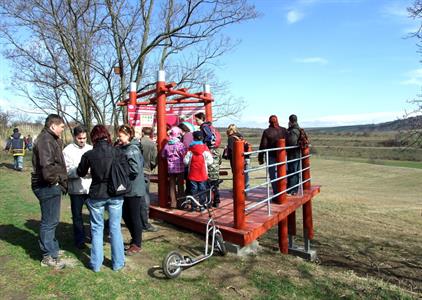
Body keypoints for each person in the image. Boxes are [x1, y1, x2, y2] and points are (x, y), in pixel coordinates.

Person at [77, 125, 125, 272]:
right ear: (107, 136)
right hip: (115, 194)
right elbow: (126, 171)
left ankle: (96, 264)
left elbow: (80, 171)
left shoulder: (89, 154)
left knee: (97, 229)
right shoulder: (117, 152)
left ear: (93, 137)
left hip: (97, 194)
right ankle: (117, 263)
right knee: (115, 228)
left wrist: (92, 171)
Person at [31, 114, 67, 269]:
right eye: (61, 127)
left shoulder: (50, 139)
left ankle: (53, 250)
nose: (62, 130)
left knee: (52, 221)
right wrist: (57, 181)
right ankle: (47, 256)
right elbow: (47, 168)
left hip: (50, 185)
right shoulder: (46, 140)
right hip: (47, 186)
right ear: (53, 126)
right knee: (48, 222)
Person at [117, 125, 147, 255]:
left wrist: (121, 172)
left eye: (121, 136)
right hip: (128, 188)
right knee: (126, 214)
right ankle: (134, 239)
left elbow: (135, 169)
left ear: (128, 135)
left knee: (134, 216)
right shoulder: (125, 148)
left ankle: (137, 243)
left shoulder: (132, 150)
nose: (119, 138)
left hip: (133, 188)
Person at [63, 126, 93, 249]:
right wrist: (80, 172)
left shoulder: (91, 148)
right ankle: (79, 240)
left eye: (84, 138)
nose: (82, 140)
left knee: (94, 214)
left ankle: (94, 237)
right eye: (80, 138)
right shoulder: (67, 151)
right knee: (77, 216)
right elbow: (66, 171)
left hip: (90, 188)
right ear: (74, 137)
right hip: (76, 189)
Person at [194, 112, 222, 207]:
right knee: (215, 180)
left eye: (197, 120)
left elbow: (209, 136)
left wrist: (203, 143)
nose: (196, 122)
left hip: (210, 152)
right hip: (215, 153)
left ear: (201, 118)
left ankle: (210, 201)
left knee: (209, 180)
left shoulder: (204, 127)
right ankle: (216, 200)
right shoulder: (210, 126)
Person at [258, 115, 287, 195]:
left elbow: (263, 145)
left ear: (269, 122)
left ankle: (276, 192)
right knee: (283, 173)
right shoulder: (284, 130)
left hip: (271, 156)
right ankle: (283, 191)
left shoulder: (267, 131)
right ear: (277, 121)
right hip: (282, 155)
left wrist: (260, 157)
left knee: (273, 174)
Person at [184, 131, 213, 211]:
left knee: (193, 190)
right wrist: (205, 163)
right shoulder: (205, 149)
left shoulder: (190, 150)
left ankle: (193, 206)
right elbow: (210, 161)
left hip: (192, 173)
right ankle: (202, 206)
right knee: (202, 190)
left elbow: (185, 162)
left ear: (193, 138)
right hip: (203, 173)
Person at [162, 126, 187, 208]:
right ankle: (181, 203)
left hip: (170, 168)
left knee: (172, 186)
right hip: (180, 167)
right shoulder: (180, 145)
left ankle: (173, 203)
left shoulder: (167, 145)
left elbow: (163, 155)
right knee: (180, 186)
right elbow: (184, 155)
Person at [139, 127, 158, 232]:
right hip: (146, 171)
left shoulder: (138, 143)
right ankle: (145, 220)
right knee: (146, 195)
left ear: (142, 133)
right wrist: (152, 167)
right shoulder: (152, 144)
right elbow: (154, 159)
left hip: (137, 171)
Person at [226, 124, 250, 189]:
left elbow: (231, 149)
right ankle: (245, 189)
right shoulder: (241, 137)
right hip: (244, 157)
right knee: (244, 174)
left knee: (236, 174)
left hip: (235, 159)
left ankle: (237, 188)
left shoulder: (231, 138)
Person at [286, 114, 302, 195]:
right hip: (296, 153)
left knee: (293, 171)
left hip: (292, 154)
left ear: (290, 121)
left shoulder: (293, 131)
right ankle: (294, 189)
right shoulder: (297, 129)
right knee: (295, 171)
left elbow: (292, 143)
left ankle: (292, 190)